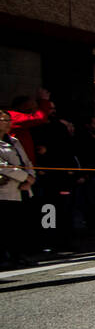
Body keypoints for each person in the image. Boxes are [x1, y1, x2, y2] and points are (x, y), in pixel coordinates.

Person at [0, 109, 36, 267]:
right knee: (5, 226)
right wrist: (25, 177)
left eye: (9, 120)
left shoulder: (15, 141)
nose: (9, 123)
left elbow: (27, 161)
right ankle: (4, 257)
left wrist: (31, 177)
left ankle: (18, 255)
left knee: (19, 225)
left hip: (22, 189)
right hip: (5, 190)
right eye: (4, 120)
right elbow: (3, 166)